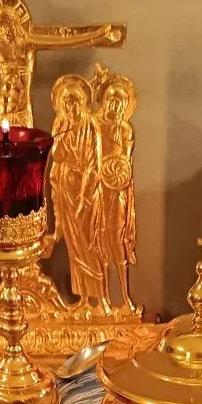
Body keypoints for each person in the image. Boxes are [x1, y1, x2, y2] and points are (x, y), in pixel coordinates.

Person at [49, 75, 106, 310]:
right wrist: (63, 133)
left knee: (90, 243)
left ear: (82, 102)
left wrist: (84, 196)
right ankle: (83, 298)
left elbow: (95, 164)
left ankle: (100, 299)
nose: (70, 108)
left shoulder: (91, 125)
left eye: (74, 102)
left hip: (86, 188)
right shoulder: (61, 125)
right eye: (66, 103)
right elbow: (57, 155)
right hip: (66, 186)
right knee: (74, 247)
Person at [92, 68, 139, 313]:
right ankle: (104, 300)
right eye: (111, 99)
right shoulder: (95, 125)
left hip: (118, 189)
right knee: (99, 240)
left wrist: (116, 176)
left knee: (116, 239)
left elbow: (125, 162)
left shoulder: (126, 129)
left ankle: (125, 297)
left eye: (121, 102)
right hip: (97, 190)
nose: (115, 106)